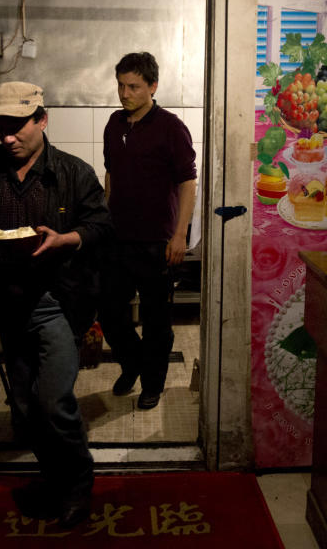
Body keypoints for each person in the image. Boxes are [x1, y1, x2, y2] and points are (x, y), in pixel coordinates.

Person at [0, 81, 111, 528]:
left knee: (52, 400)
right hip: (10, 301)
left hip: (57, 301)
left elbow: (101, 226)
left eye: (17, 126)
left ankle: (78, 486)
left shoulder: (74, 172)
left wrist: (65, 239)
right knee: (23, 405)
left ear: (41, 119)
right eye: (1, 127)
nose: (7, 137)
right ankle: (54, 480)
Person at [99, 52, 197, 410]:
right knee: (109, 311)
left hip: (158, 240)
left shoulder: (171, 127)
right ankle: (134, 363)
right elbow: (110, 174)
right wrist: (104, 217)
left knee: (157, 320)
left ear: (153, 86)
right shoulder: (113, 123)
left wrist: (180, 233)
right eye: (121, 85)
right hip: (117, 238)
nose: (124, 93)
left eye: (134, 87)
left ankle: (152, 383)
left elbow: (188, 182)